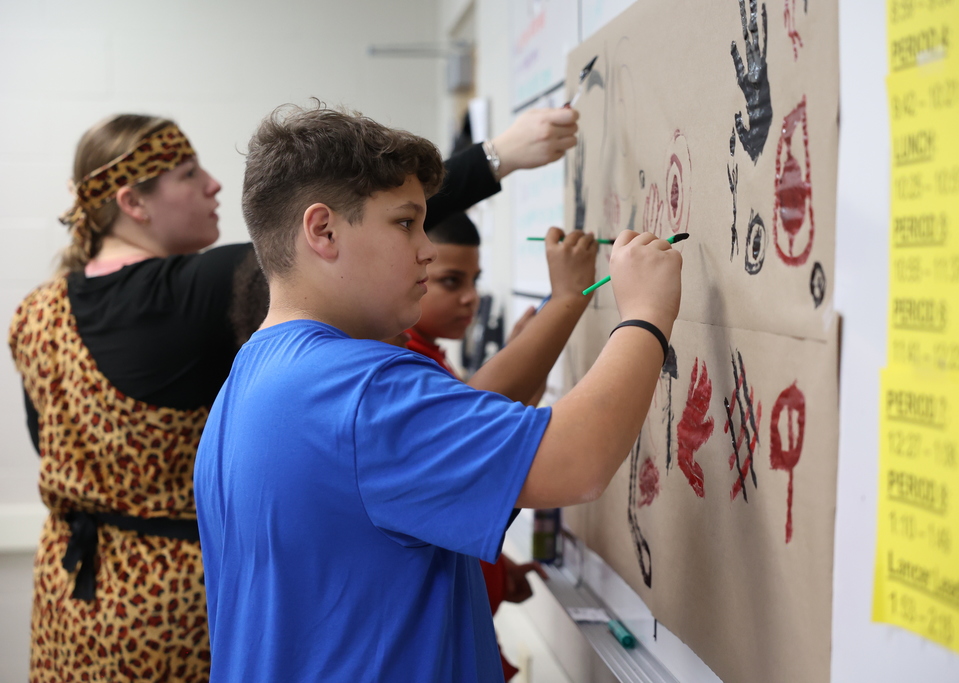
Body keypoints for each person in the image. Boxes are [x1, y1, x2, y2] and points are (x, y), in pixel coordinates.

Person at [8, 105, 579, 682]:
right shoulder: (191, 291)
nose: (212, 184)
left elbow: (43, 445)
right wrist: (495, 158)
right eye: (187, 173)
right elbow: (352, 212)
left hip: (68, 603)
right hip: (166, 611)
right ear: (133, 202)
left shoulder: (35, 313)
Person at [193, 103, 682, 682]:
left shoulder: (250, 375)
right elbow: (578, 463)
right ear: (322, 230)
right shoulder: (358, 388)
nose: (426, 248)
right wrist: (647, 313)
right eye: (405, 223)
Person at [408, 211, 597, 680]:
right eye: (450, 281)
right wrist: (574, 300)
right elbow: (476, 434)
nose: (471, 297)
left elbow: (489, 428)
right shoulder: (405, 361)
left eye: (474, 280)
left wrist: (494, 566)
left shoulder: (430, 355)